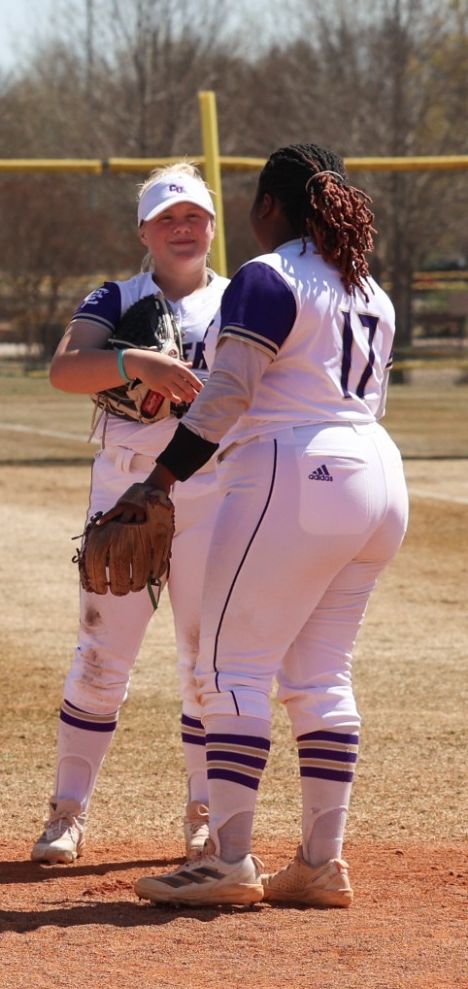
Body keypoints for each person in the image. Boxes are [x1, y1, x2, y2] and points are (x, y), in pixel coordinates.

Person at [106, 145, 408, 909]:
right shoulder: (369, 287)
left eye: (253, 202)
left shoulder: (267, 275)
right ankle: (318, 862)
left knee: (232, 669)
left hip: (294, 470)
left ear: (272, 205)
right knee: (320, 676)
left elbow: (230, 394)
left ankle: (228, 859)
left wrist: (159, 476)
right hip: (378, 474)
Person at [29, 165, 226, 865]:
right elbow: (64, 369)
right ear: (144, 231)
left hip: (214, 497)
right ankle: (66, 813)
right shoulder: (117, 297)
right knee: (100, 658)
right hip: (126, 492)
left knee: (208, 666)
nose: (183, 227)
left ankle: (205, 816)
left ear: (212, 225)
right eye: (167, 217)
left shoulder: (238, 302)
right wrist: (134, 361)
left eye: (195, 216)